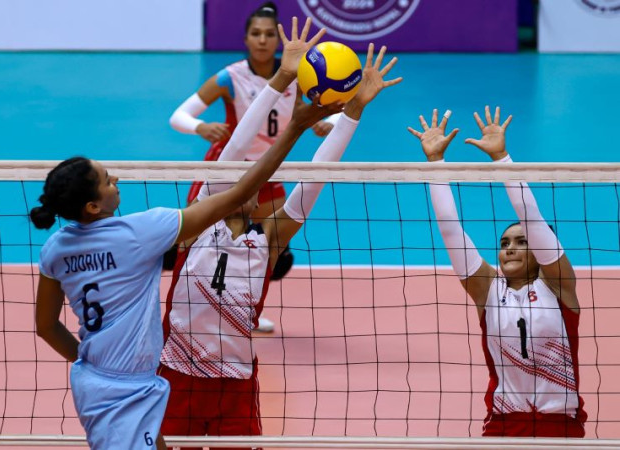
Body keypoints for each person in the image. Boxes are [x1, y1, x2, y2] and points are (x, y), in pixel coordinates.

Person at [32, 17, 334, 450]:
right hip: (145, 380)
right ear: (93, 205)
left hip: (95, 382)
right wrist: (297, 126)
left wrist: (87, 361)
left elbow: (45, 326)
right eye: (107, 179)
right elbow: (237, 185)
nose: (116, 177)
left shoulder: (55, 248)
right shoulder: (143, 232)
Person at [159, 43, 402, 450]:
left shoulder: (267, 243)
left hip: (235, 385)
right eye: (239, 176)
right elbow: (235, 149)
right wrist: (281, 78)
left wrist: (353, 111)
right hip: (176, 376)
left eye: (253, 179)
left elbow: (315, 179)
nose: (244, 181)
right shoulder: (196, 227)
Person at [407, 106, 587, 437]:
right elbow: (450, 228)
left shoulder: (559, 286)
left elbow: (531, 217)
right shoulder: (487, 290)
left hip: (560, 425)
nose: (510, 247)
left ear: (539, 250)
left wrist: (502, 159)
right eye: (504, 243)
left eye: (522, 241)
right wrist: (435, 163)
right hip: (504, 426)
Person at [168, 2, 336, 310]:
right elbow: (178, 116)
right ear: (246, 39)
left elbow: (338, 105)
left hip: (269, 168)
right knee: (192, 235)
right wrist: (200, 126)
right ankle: (182, 301)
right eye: (256, 34)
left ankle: (241, 307)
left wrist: (329, 123)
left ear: (278, 40)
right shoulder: (229, 77)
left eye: (269, 34)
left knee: (273, 248)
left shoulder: (301, 77)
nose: (262, 40)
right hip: (227, 168)